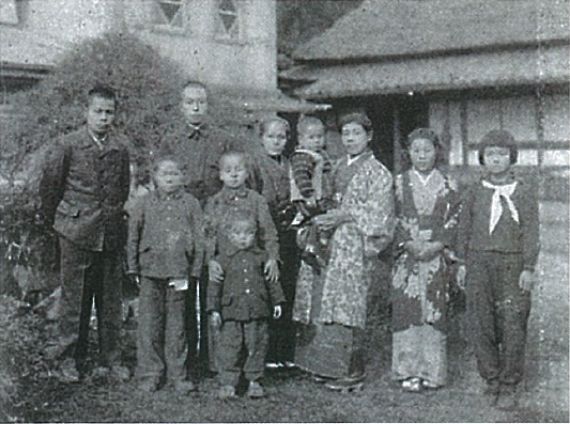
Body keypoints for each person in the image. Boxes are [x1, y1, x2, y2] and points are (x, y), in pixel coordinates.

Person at [161, 81, 261, 379]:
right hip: (181, 226)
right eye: (190, 102)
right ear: (181, 106)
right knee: (182, 292)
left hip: (216, 225)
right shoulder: (170, 141)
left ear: (207, 105)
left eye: (201, 102)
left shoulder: (222, 140)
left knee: (215, 289)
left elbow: (238, 178)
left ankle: (218, 361)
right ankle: (186, 360)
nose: (196, 107)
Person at [293, 111, 395, 392]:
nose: (350, 139)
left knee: (347, 304)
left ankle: (349, 370)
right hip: (327, 240)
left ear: (369, 136)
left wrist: (343, 216)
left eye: (356, 133)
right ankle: (323, 366)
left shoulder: (379, 173)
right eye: (346, 134)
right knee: (322, 301)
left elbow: (380, 215)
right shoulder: (334, 166)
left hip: (352, 245)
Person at [39, 85, 131, 382]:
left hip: (110, 232)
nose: (104, 117)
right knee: (74, 299)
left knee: (110, 300)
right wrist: (63, 223)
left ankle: (110, 360)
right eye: (98, 111)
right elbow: (51, 188)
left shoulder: (120, 148)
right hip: (76, 231)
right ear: (86, 112)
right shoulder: (67, 144)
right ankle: (67, 358)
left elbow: (123, 189)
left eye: (109, 112)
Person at [457, 129, 539, 408]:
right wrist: (462, 264)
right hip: (479, 262)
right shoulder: (473, 192)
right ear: (483, 158)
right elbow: (463, 230)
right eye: (490, 154)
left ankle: (509, 383)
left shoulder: (524, 192)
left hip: (512, 264)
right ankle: (491, 378)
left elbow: (531, 232)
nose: (496, 160)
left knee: (513, 321)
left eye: (502, 154)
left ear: (511, 158)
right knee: (481, 322)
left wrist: (528, 267)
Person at [391, 128, 462, 392]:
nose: (421, 156)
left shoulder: (448, 184)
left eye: (427, 150)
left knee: (434, 311)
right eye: (416, 150)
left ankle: (432, 372)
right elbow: (391, 217)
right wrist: (407, 242)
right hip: (406, 255)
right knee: (406, 310)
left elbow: (456, 218)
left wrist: (439, 243)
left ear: (436, 152)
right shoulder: (398, 183)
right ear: (408, 153)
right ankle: (407, 370)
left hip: (435, 255)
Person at [126, 155, 203, 394]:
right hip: (150, 271)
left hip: (179, 270)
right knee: (149, 324)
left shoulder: (191, 203)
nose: (169, 178)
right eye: (164, 174)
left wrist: (196, 269)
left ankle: (178, 373)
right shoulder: (144, 203)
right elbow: (133, 237)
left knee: (177, 325)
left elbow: (200, 240)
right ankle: (151, 373)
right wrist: (132, 266)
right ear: (155, 178)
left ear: (183, 177)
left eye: (175, 174)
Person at [204, 150, 280, 372]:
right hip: (224, 269)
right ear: (220, 175)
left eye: (239, 170)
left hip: (251, 269)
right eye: (228, 171)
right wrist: (210, 261)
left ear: (246, 173)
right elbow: (207, 234)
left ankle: (254, 370)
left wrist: (273, 258)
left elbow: (268, 232)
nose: (234, 175)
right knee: (223, 316)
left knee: (254, 322)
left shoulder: (257, 200)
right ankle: (222, 368)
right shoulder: (215, 202)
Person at [207, 209, 285, 399]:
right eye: (238, 234)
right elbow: (214, 287)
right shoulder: (221, 259)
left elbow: (271, 281)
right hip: (231, 312)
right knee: (230, 347)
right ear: (229, 235)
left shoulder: (262, 257)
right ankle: (228, 383)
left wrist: (277, 302)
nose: (243, 238)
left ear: (255, 234)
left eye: (248, 233)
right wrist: (214, 310)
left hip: (257, 310)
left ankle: (254, 380)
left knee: (256, 345)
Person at [254, 116, 298, 369]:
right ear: (262, 138)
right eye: (271, 136)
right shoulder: (255, 165)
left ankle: (285, 352)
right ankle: (267, 353)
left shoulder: (291, 164)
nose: (276, 142)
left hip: (289, 233)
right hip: (263, 234)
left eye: (281, 137)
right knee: (267, 289)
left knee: (287, 289)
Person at [289, 116, 334, 272]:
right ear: (301, 139)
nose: (316, 141)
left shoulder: (320, 154)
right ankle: (312, 247)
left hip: (320, 195)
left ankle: (316, 245)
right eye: (312, 137)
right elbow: (301, 176)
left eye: (320, 137)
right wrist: (308, 194)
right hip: (308, 198)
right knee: (315, 220)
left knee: (318, 221)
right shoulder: (303, 156)